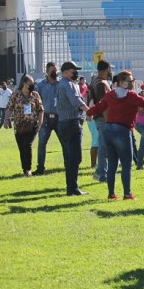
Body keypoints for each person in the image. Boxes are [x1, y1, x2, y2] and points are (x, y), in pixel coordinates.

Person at [87, 70, 144, 200]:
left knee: (112, 164)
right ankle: (127, 194)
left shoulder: (110, 95)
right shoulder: (131, 96)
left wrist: (88, 112)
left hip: (108, 130)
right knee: (126, 164)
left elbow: (98, 107)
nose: (132, 83)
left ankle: (111, 193)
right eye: (130, 81)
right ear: (121, 82)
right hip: (122, 131)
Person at [57, 61, 90, 196]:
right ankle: (72, 188)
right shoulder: (68, 84)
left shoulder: (65, 84)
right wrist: (89, 110)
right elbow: (76, 101)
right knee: (74, 157)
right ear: (65, 72)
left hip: (65, 123)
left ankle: (71, 187)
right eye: (73, 70)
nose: (75, 73)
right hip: (71, 123)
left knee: (70, 157)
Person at [3, 75, 43, 177]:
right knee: (21, 147)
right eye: (30, 84)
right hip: (19, 126)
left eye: (33, 84)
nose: (32, 86)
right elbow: (9, 108)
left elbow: (41, 110)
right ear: (24, 84)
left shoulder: (35, 95)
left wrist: (39, 122)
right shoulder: (15, 95)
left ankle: (28, 169)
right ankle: (24, 169)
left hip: (32, 125)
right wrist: (6, 120)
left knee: (27, 145)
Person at [35, 62, 62, 176]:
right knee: (42, 143)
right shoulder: (40, 85)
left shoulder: (61, 84)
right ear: (47, 71)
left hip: (59, 117)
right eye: (52, 71)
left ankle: (68, 164)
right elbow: (36, 100)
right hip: (45, 118)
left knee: (65, 143)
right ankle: (40, 168)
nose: (55, 73)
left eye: (56, 70)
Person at [89, 60, 113, 182]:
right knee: (104, 148)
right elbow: (104, 104)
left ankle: (100, 172)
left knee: (104, 147)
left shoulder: (94, 80)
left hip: (99, 118)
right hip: (103, 119)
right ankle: (102, 174)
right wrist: (108, 119)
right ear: (107, 68)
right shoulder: (102, 83)